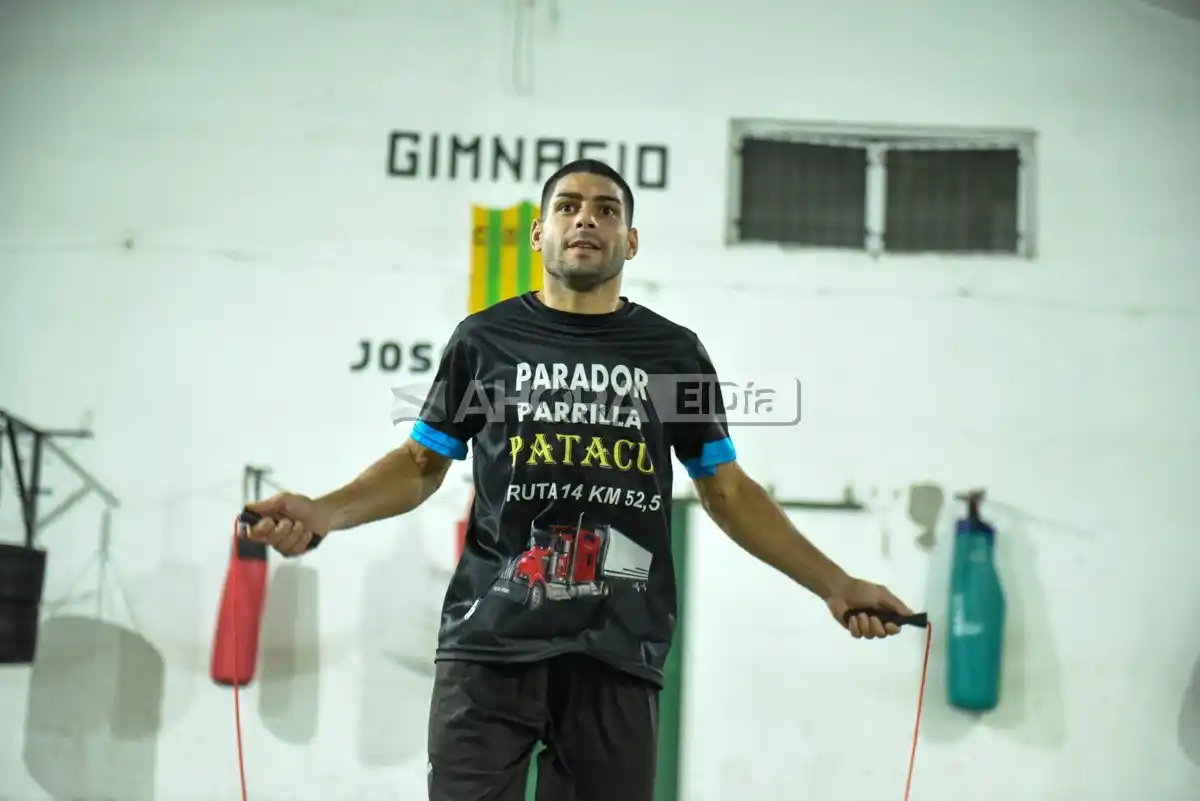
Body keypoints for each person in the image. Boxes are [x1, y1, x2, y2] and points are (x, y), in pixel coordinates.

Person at [244, 159, 915, 801]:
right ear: (539, 233)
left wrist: (837, 583)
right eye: (567, 207)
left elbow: (727, 489)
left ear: (631, 238)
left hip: (617, 652)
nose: (586, 220)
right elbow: (422, 463)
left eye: (606, 209)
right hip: (489, 644)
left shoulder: (672, 355)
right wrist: (323, 511)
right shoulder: (485, 341)